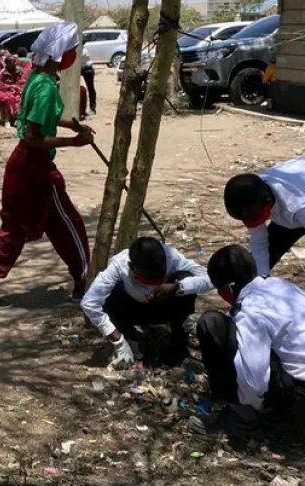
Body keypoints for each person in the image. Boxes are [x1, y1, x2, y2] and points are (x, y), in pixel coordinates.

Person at [0, 22, 93, 313]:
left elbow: (38, 120)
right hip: (35, 169)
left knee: (14, 227)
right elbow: (33, 135)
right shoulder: (43, 87)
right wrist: (73, 141)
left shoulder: (38, 80)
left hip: (20, 168)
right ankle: (83, 282)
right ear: (57, 55)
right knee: (69, 224)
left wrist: (72, 124)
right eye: (70, 50)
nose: (73, 54)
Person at [196, 244, 305, 436]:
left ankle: (243, 420)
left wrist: (253, 405)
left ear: (228, 288)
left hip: (299, 398)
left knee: (211, 323)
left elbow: (254, 380)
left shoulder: (251, 312)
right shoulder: (284, 287)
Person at [82, 236, 213, 367]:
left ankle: (177, 349)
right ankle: (130, 341)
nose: (153, 284)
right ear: (131, 267)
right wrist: (117, 339)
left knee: (186, 278)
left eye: (159, 275)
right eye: (148, 279)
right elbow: (89, 302)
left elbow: (210, 278)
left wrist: (177, 287)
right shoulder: (119, 264)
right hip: (131, 311)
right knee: (110, 291)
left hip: (164, 308)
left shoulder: (173, 257)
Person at [223, 158, 305, 276]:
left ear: (268, 201)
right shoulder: (253, 195)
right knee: (260, 263)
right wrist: (262, 280)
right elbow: (259, 244)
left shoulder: (297, 206)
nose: (251, 223)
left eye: (251, 218)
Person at [81, 46, 97, 116]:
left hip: (87, 69)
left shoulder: (83, 51)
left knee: (90, 89)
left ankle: (92, 108)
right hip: (80, 68)